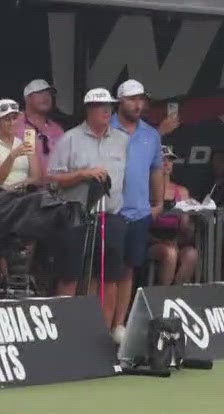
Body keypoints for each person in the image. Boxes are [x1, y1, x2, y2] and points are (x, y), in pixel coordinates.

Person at [45, 88, 129, 302]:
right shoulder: (70, 139)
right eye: (101, 106)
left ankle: (105, 332)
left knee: (110, 278)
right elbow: (52, 179)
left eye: (109, 106)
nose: (107, 110)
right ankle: (66, 330)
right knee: (70, 275)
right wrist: (83, 174)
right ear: (89, 109)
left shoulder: (122, 140)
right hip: (76, 215)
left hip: (111, 216)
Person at [110, 79, 166, 330]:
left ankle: (119, 325)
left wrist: (159, 203)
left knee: (128, 270)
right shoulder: (106, 128)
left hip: (139, 211)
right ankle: (102, 323)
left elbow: (156, 170)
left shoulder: (151, 134)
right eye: (132, 99)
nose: (137, 104)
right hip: (111, 211)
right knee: (107, 271)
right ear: (119, 101)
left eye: (140, 99)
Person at [152, 148, 201, 285]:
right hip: (151, 240)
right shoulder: (145, 189)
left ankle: (176, 296)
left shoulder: (181, 191)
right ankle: (162, 297)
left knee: (191, 254)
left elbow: (184, 227)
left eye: (170, 160)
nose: (167, 163)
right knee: (171, 253)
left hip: (174, 239)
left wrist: (190, 222)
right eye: (162, 160)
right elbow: (141, 225)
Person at [0, 98, 36, 189]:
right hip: (3, 196)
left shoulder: (24, 143)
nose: (12, 123)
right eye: (7, 119)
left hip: (25, 193)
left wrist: (21, 187)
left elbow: (36, 176)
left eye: (14, 118)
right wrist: (12, 156)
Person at [16, 78, 68, 179]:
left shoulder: (57, 130)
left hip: (56, 188)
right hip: (24, 189)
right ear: (27, 98)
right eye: (39, 93)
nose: (46, 97)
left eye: (48, 94)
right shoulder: (14, 123)